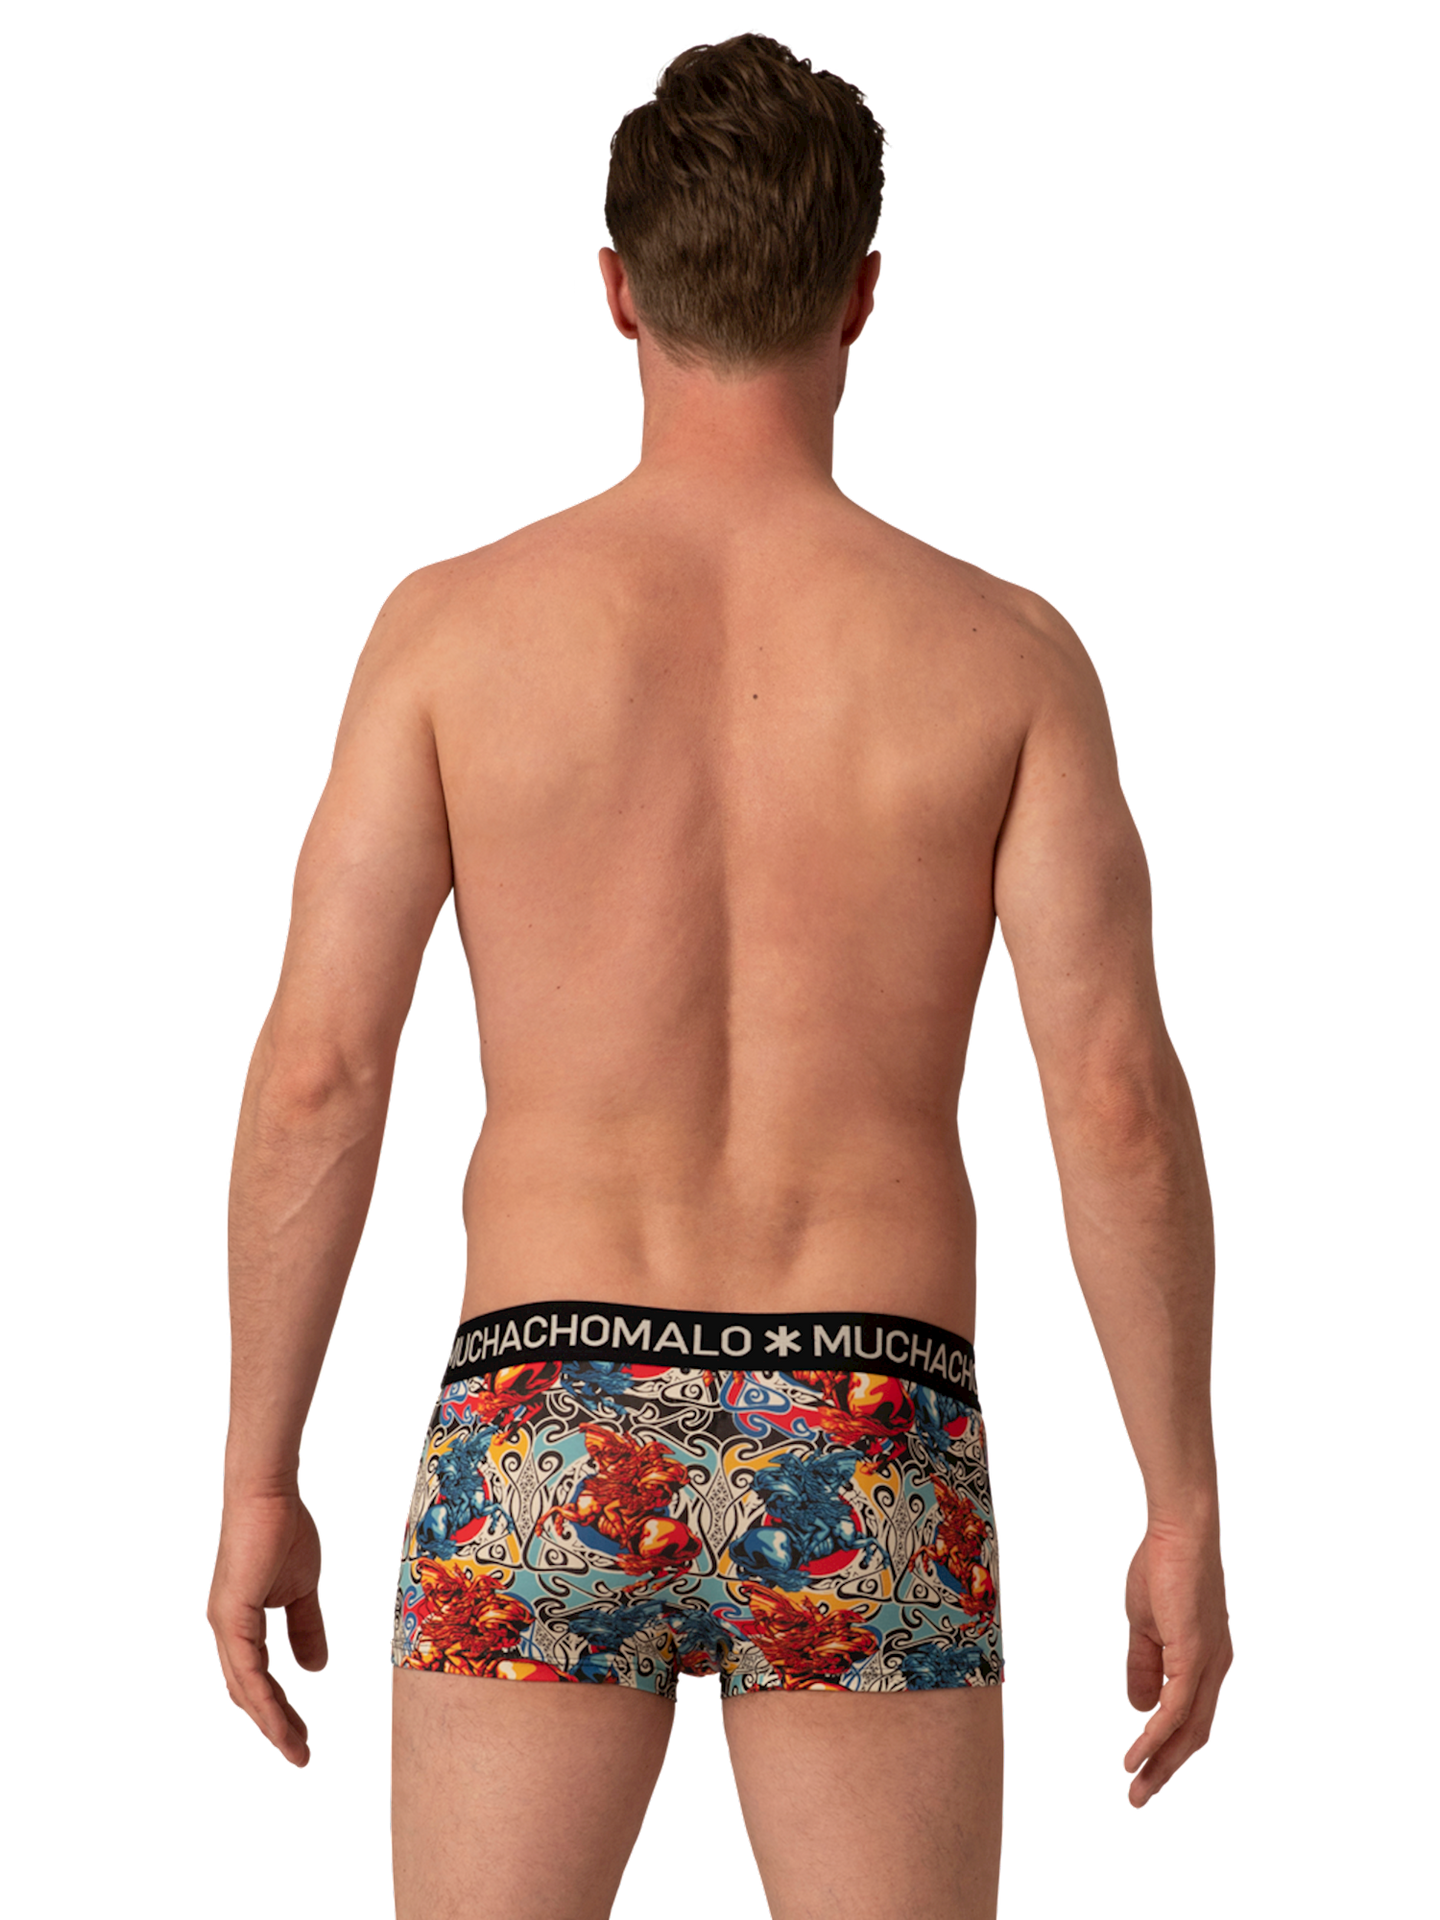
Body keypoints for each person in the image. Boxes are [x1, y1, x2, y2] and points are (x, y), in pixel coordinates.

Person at [206, 30, 1234, 1920]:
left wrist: (259, 1470)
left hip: (541, 1414)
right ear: (862, 293)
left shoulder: (448, 632)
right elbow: (1110, 1099)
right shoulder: (1006, 656)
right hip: (873, 1420)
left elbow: (322, 1071)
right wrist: (1182, 1505)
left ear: (616, 289)